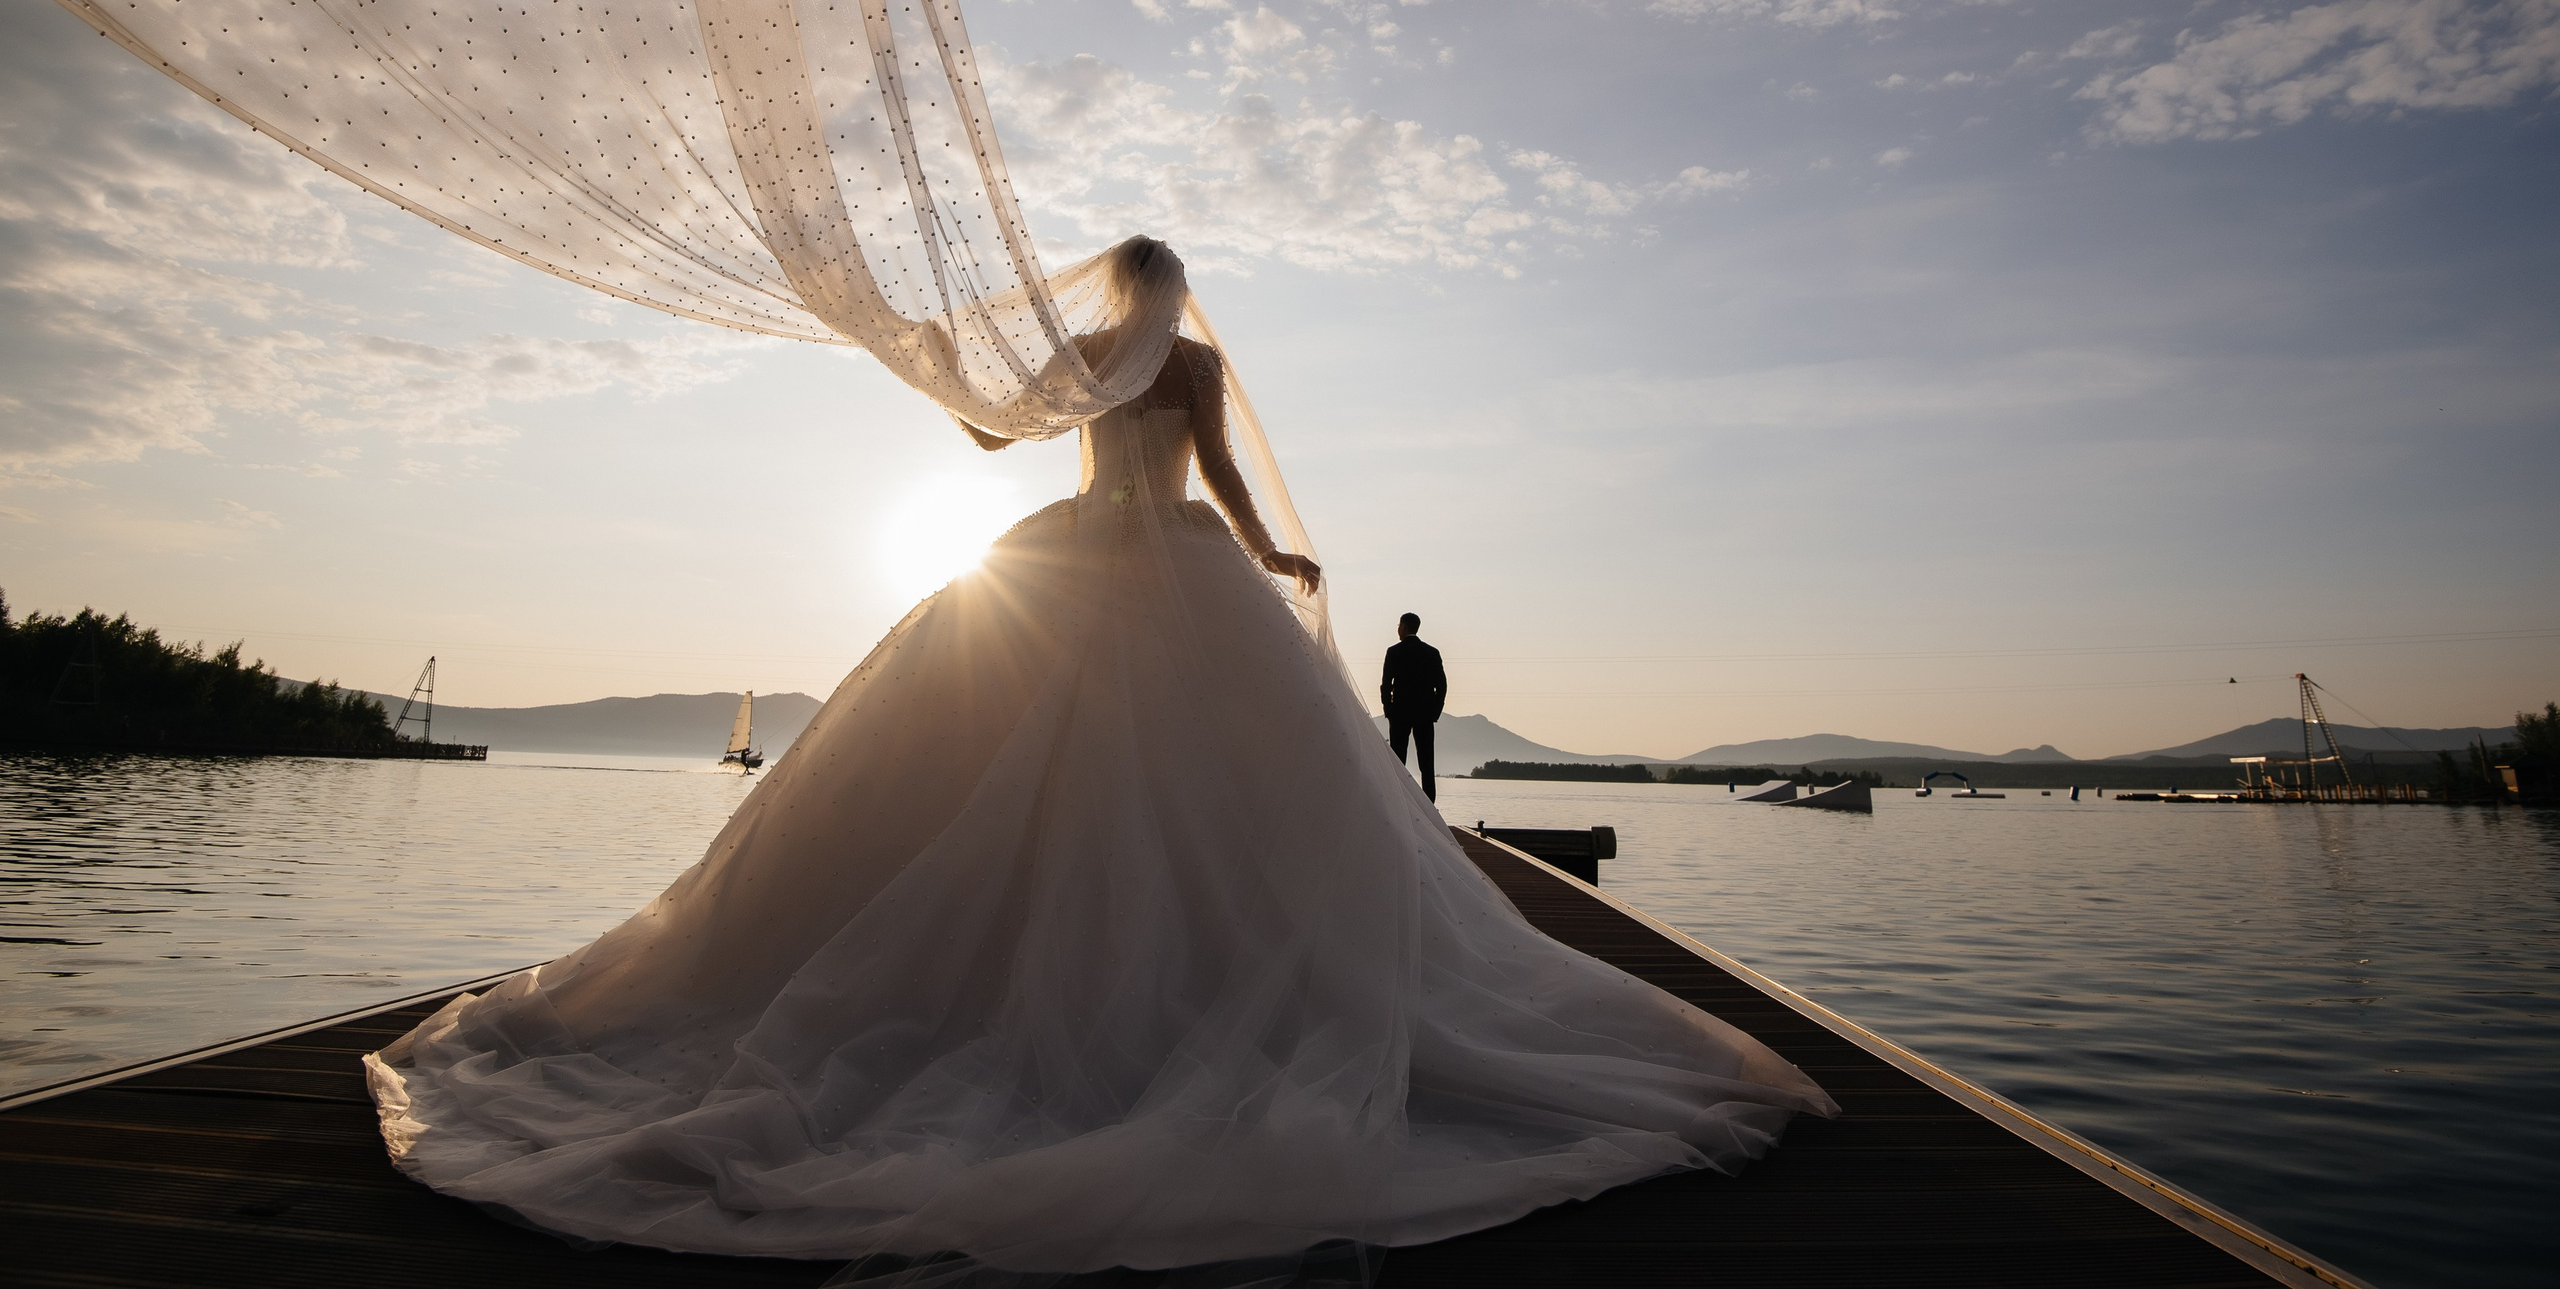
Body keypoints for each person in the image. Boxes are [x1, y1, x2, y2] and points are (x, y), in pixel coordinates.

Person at [365, 237, 1834, 1282]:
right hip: (1173, 574)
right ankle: (1190, 983)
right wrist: (1272, 558)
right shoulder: (1187, 364)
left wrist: (944, 378)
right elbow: (1228, 483)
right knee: (1209, 799)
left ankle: (1020, 983)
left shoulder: (1082, 357)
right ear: (1175, 297)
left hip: (1062, 567)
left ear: (1108, 295)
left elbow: (996, 442)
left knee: (1025, 778)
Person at [1381, 612, 1448, 801]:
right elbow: (1441, 685)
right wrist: (1435, 711)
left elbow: (1386, 684)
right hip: (1425, 715)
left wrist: (1388, 709)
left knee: (1398, 760)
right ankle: (1429, 804)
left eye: (1398, 625)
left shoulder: (1394, 651)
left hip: (1399, 713)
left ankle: (1398, 799)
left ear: (1403, 626)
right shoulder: (1431, 652)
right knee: (1427, 763)